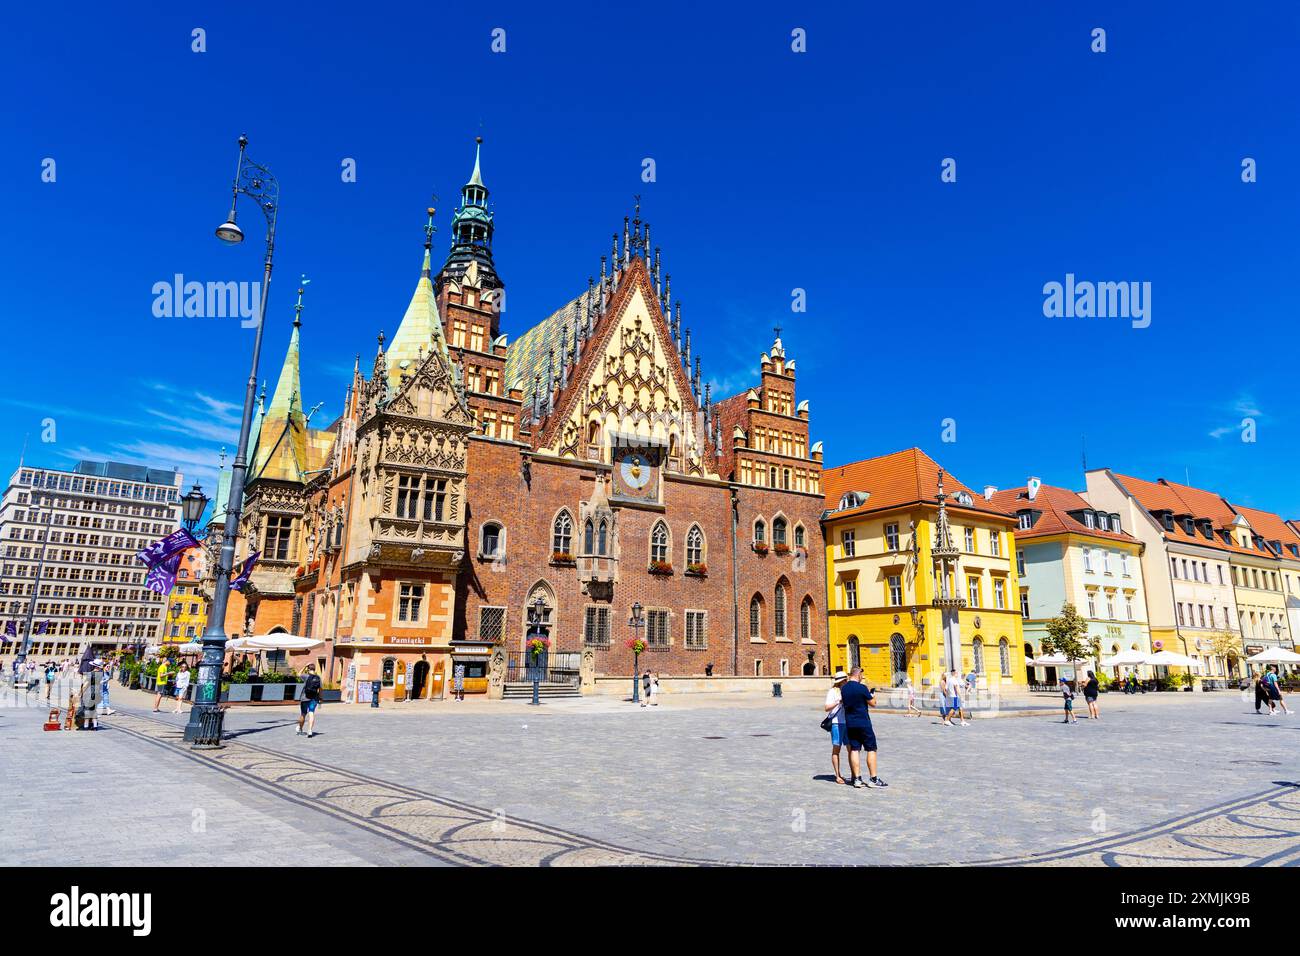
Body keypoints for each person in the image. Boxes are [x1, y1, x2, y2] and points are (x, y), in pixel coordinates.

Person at [839, 667, 887, 788]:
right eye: (861, 675)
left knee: (854, 749)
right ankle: (873, 779)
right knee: (871, 749)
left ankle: (857, 779)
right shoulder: (862, 688)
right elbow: (873, 704)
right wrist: (872, 695)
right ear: (858, 674)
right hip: (863, 722)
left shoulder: (844, 688)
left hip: (850, 723)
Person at [824, 670, 848, 784]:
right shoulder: (832, 691)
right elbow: (827, 707)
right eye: (845, 680)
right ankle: (837, 775)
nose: (846, 682)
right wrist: (838, 701)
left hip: (848, 722)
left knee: (851, 749)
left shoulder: (848, 690)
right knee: (836, 749)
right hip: (836, 723)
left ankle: (854, 774)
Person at [298, 663, 322, 737]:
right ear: (315, 669)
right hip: (314, 698)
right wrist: (320, 698)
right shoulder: (318, 678)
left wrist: (304, 666)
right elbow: (320, 689)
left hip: (304, 698)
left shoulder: (306, 676)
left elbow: (298, 674)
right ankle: (310, 731)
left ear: (308, 669)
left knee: (303, 714)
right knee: (311, 713)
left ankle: (300, 729)